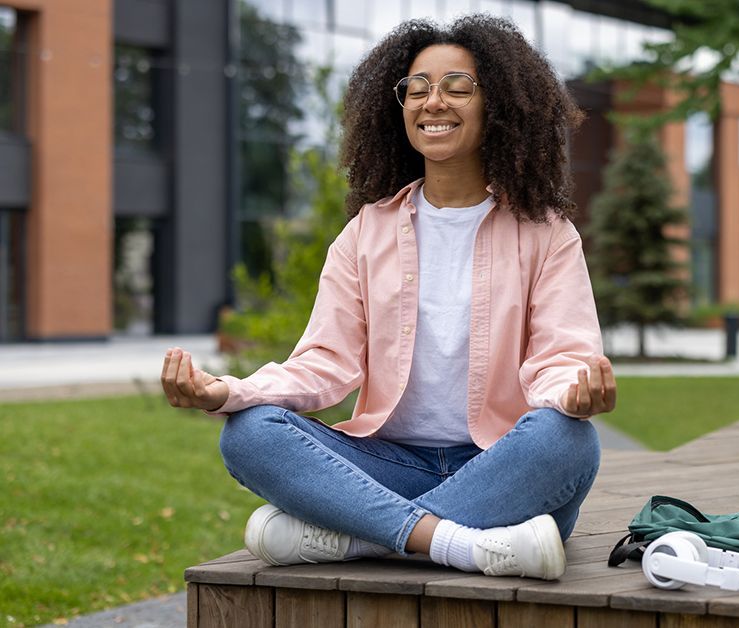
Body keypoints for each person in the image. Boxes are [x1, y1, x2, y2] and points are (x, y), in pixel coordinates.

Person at [158, 15, 614, 581]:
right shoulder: (365, 234)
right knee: (249, 434)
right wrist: (229, 391)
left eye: (457, 87)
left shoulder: (546, 232)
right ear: (396, 107)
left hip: (501, 465)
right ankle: (462, 543)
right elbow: (325, 362)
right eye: (416, 89)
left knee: (567, 441)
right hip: (385, 467)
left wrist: (574, 394)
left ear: (499, 104)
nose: (432, 102)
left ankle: (363, 540)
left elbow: (560, 356)